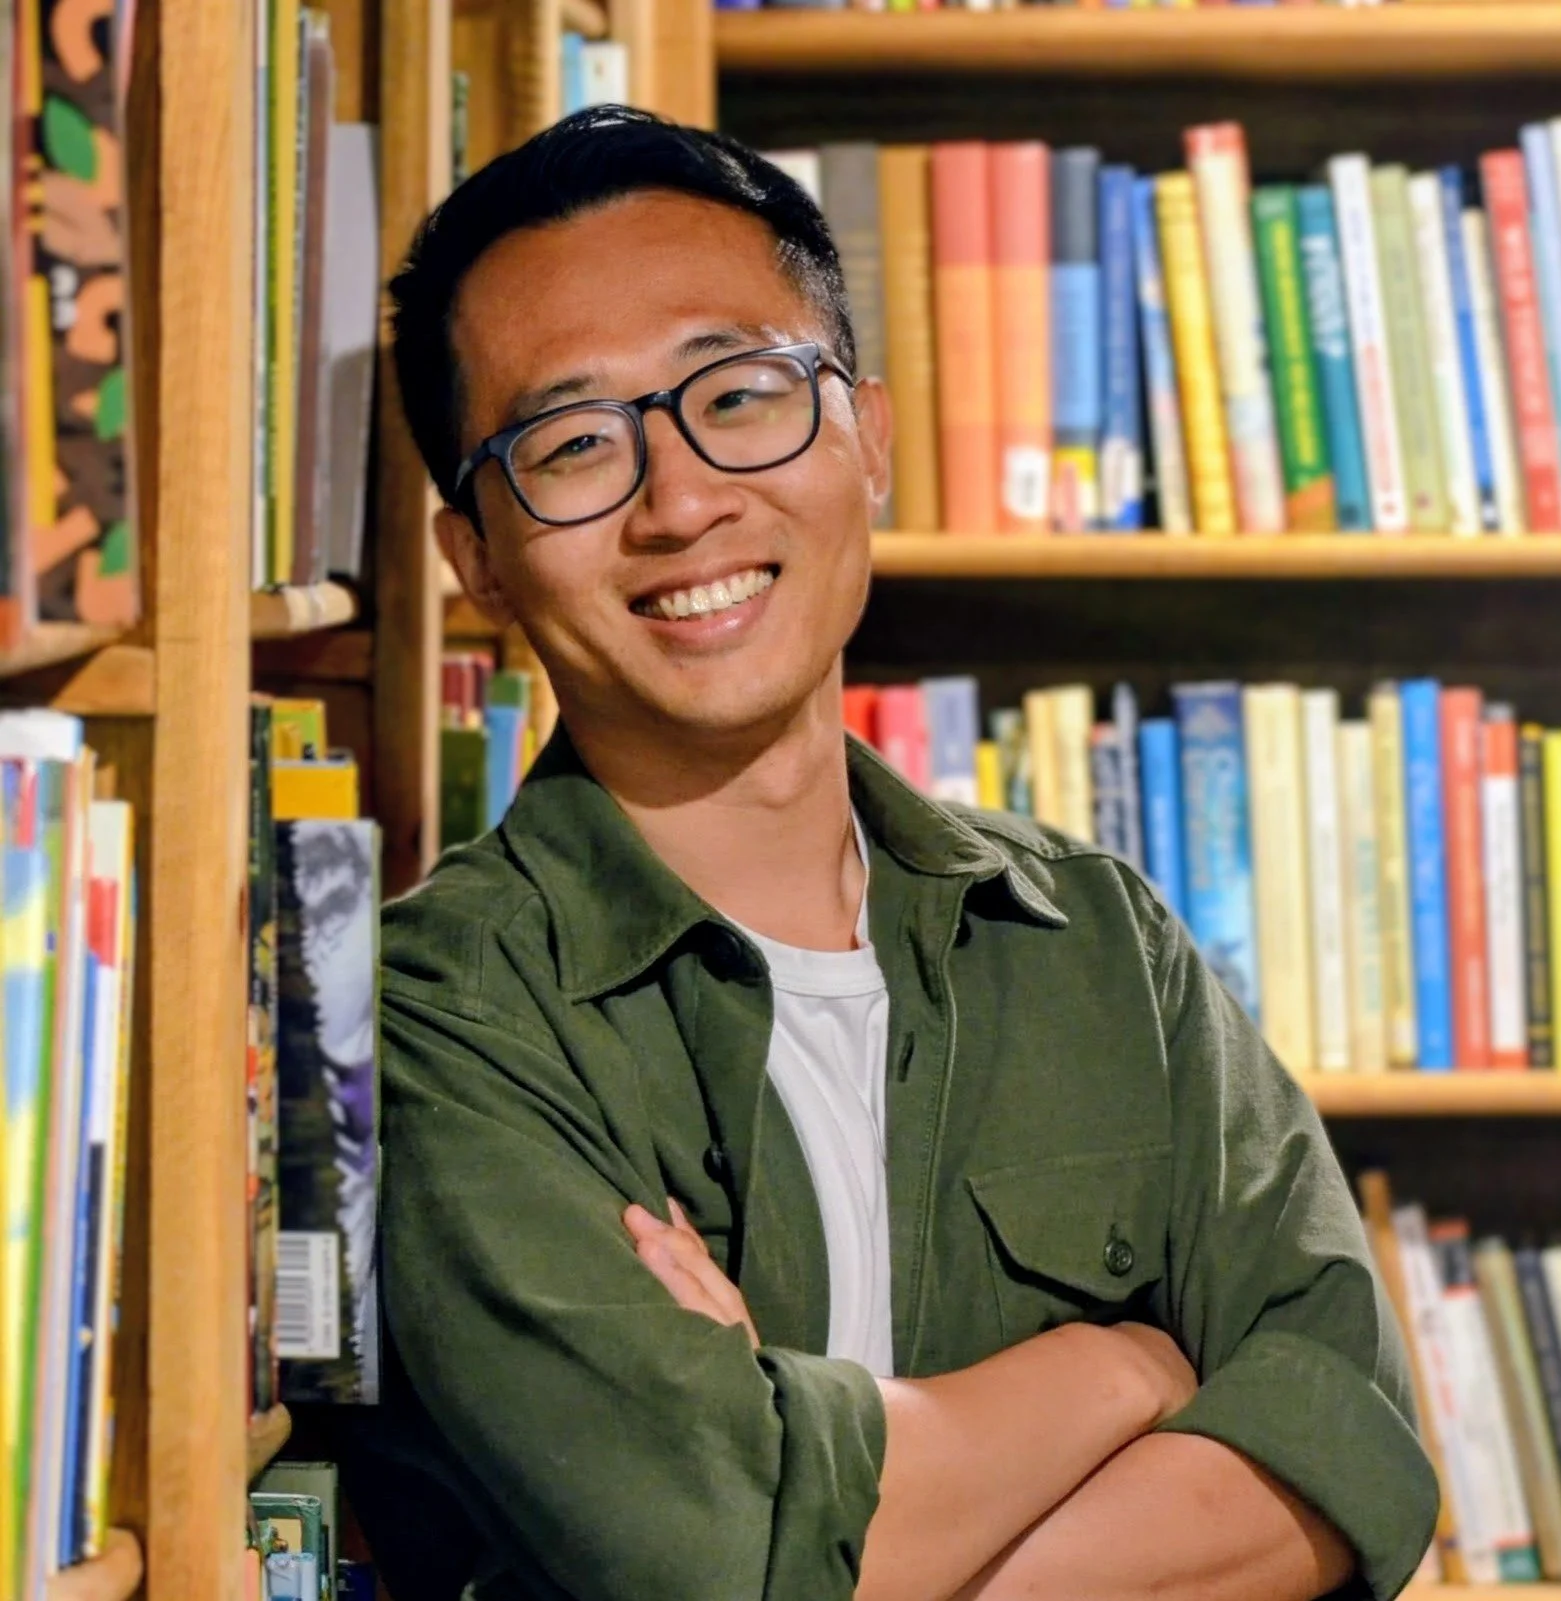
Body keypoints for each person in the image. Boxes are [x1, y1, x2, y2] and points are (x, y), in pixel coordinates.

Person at [363, 104, 1438, 1601]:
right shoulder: (440, 1013)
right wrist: (1121, 1364)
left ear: (866, 435)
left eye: (737, 397)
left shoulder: (1095, 938)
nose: (679, 504)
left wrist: (856, 1507)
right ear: (474, 555)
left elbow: (1352, 1440)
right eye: (570, 443)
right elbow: (713, 1560)